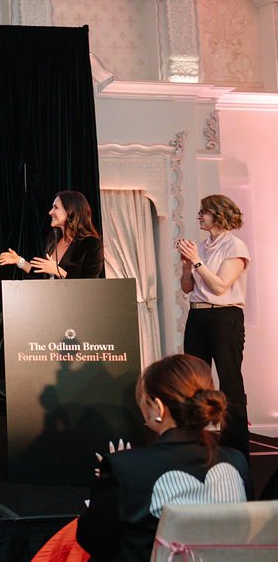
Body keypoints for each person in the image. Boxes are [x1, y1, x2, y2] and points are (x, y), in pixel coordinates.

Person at [76, 354, 251, 561]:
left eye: (143, 400)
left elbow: (92, 539)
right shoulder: (236, 461)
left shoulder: (125, 467)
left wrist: (111, 478)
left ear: (157, 407)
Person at [178, 194, 250, 457]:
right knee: (194, 381)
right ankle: (196, 442)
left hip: (224, 317)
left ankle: (236, 448)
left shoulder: (235, 246)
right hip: (197, 316)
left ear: (218, 214)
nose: (199, 215)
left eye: (204, 211)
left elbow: (220, 287)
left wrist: (197, 261)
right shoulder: (202, 245)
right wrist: (187, 266)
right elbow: (187, 288)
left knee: (229, 381)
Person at [0, 190, 104, 279]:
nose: (50, 212)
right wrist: (19, 261)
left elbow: (90, 285)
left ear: (70, 211)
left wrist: (58, 271)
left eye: (56, 207)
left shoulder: (92, 244)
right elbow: (41, 273)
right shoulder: (54, 239)